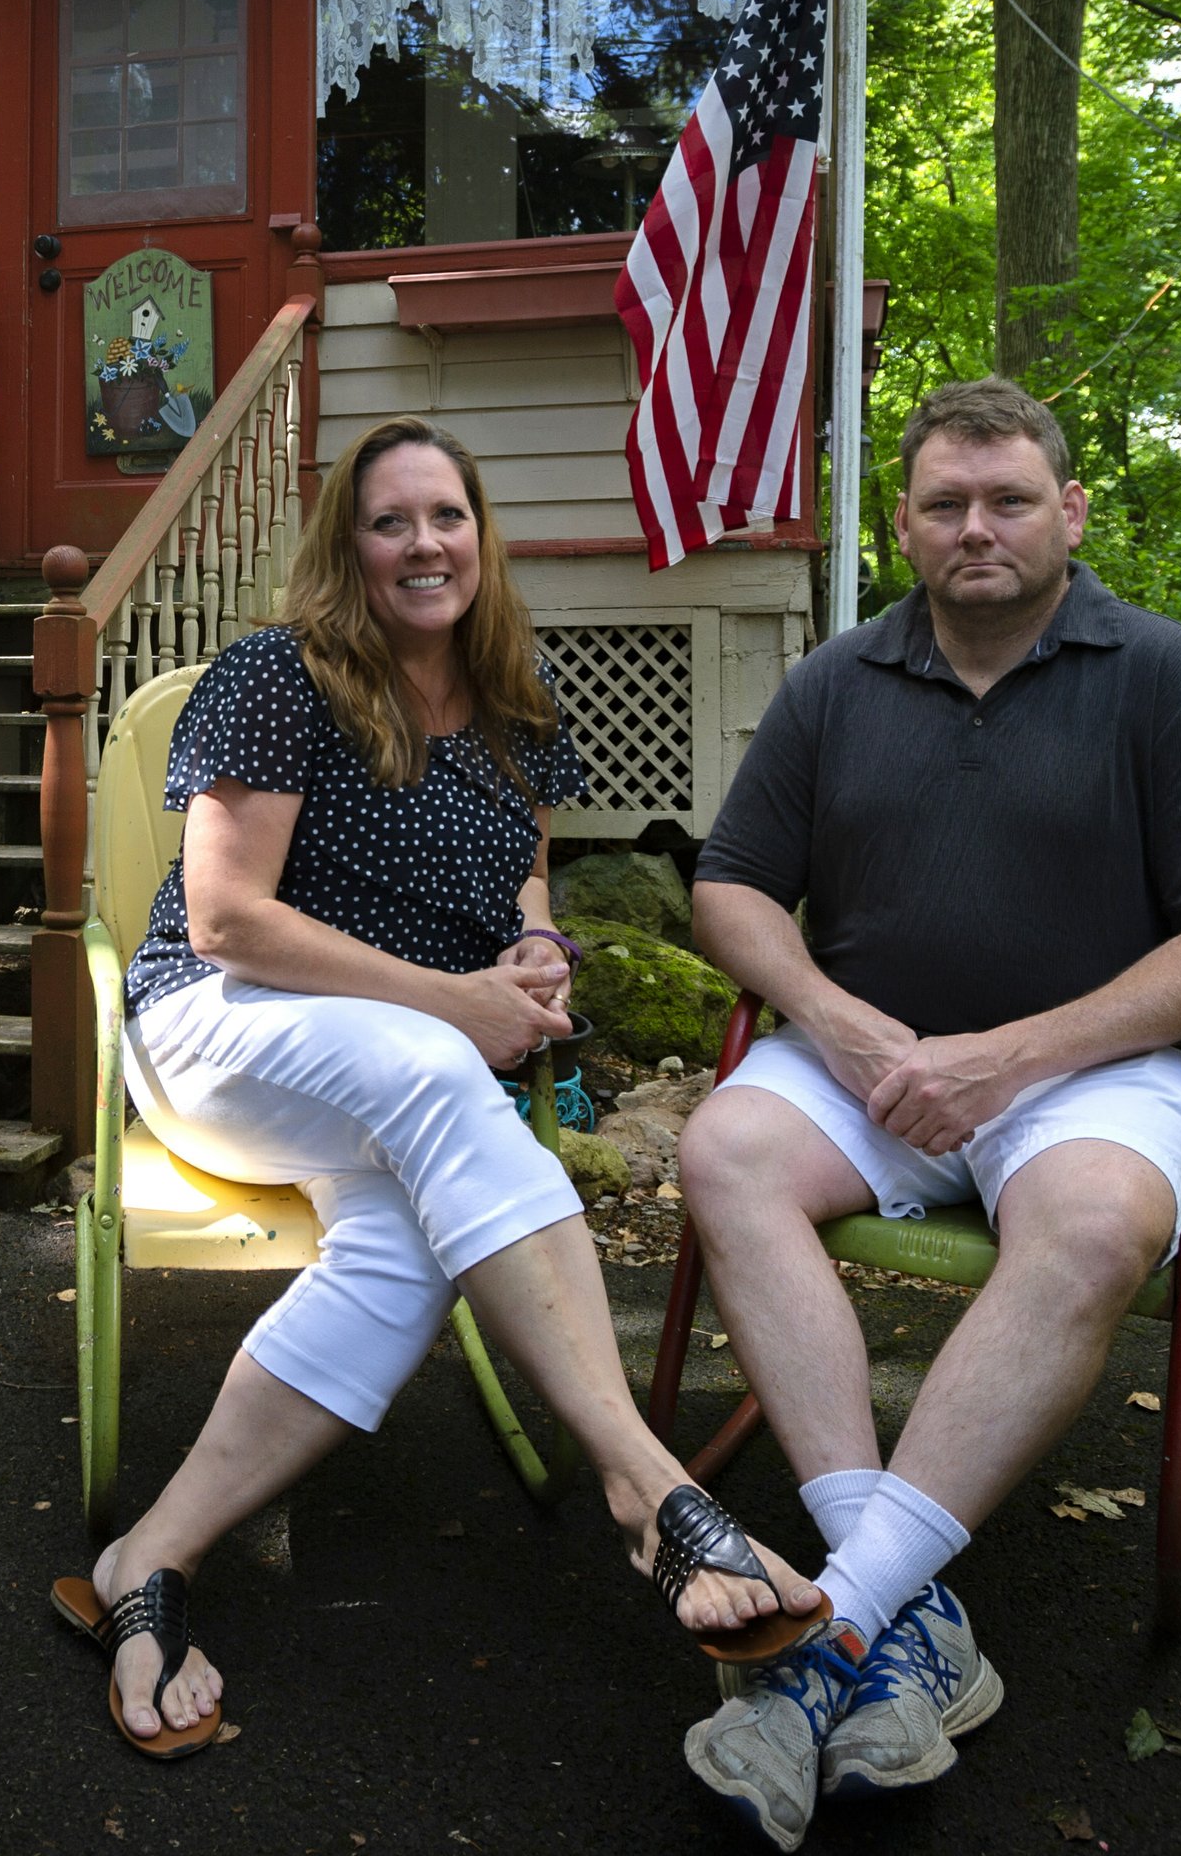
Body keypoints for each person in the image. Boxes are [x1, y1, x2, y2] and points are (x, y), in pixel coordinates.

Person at [55, 415, 824, 1761]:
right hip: (222, 1030)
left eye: (446, 517)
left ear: (482, 537)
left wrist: (532, 952)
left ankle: (147, 1558)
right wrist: (454, 1006)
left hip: (391, 1077)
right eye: (390, 520)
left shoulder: (515, 698)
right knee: (424, 1065)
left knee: (407, 1244)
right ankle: (647, 1485)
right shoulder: (274, 679)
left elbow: (521, 877)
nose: (423, 544)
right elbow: (228, 918)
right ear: (347, 547)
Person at [673, 379, 1181, 1849]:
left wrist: (1012, 1057)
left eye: (1009, 500)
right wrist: (828, 1013)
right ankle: (895, 1614)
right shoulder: (839, 682)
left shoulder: (1167, 679)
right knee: (726, 1148)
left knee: (1088, 1226)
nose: (977, 529)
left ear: (1069, 513)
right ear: (904, 522)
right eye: (946, 504)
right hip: (876, 1058)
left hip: (1106, 1071)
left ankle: (829, 1632)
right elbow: (731, 887)